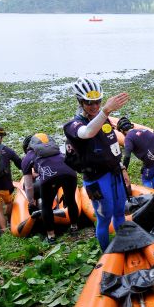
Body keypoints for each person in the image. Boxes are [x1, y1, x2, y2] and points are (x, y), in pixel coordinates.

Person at [63, 77, 130, 251]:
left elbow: (112, 145)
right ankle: (106, 253)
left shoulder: (104, 119)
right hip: (96, 179)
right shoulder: (73, 125)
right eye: (89, 103)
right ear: (80, 101)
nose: (94, 106)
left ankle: (123, 246)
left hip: (114, 174)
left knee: (120, 212)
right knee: (104, 217)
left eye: (98, 102)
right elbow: (87, 133)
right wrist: (105, 110)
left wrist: (122, 168)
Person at [21, 133, 79, 244]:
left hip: (49, 177)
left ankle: (51, 236)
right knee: (71, 200)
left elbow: (28, 186)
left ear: (27, 147)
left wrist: (31, 201)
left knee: (46, 205)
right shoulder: (53, 149)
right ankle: (74, 228)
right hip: (70, 172)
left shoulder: (27, 158)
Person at [116, 117, 154, 190]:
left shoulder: (128, 138)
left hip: (152, 161)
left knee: (146, 179)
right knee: (151, 175)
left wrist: (124, 169)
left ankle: (152, 197)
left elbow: (127, 156)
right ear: (131, 126)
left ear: (122, 130)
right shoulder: (143, 130)